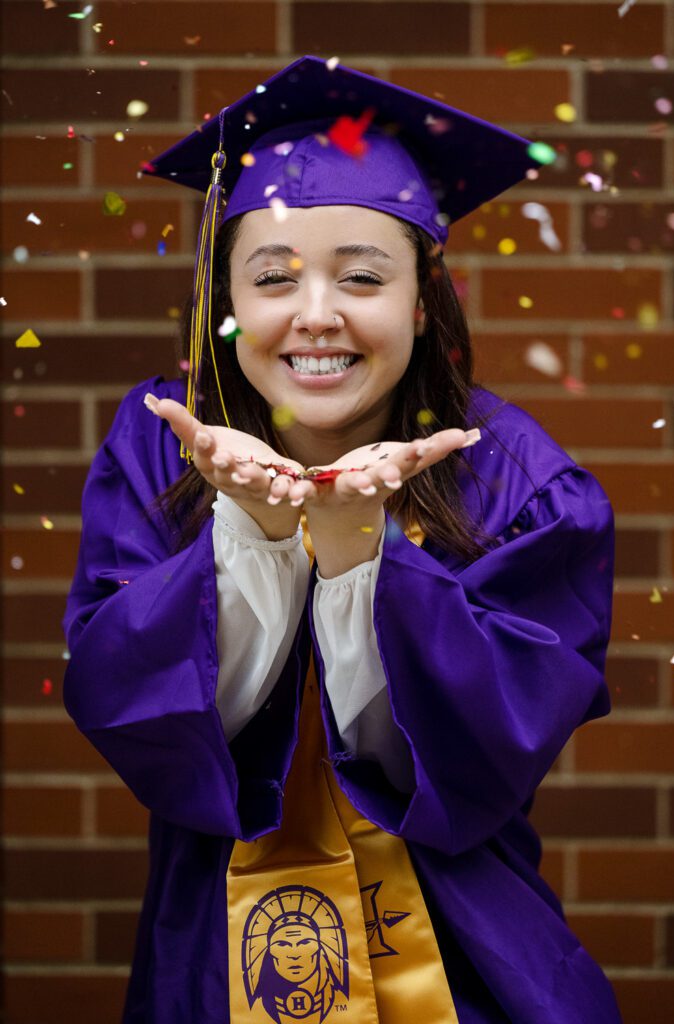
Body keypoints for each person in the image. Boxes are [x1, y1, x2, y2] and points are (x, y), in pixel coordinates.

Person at [62, 56, 623, 1024]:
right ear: (225, 303)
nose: (316, 313)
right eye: (272, 277)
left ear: (419, 298)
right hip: (214, 961)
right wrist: (256, 533)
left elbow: (481, 764)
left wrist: (363, 552)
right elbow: (138, 721)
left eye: (361, 275)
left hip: (462, 963)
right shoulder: (160, 451)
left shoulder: (520, 481)